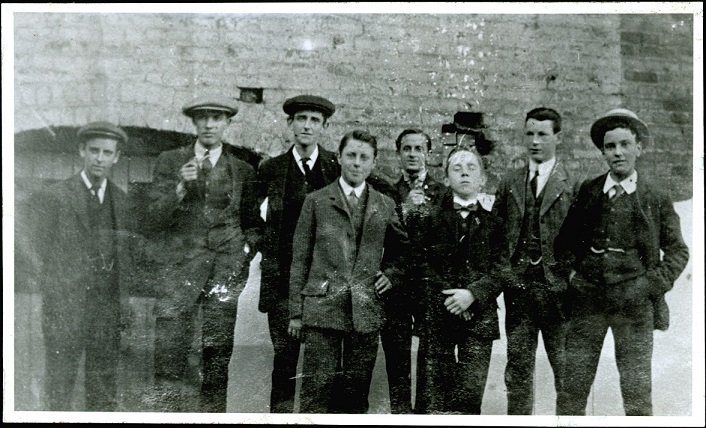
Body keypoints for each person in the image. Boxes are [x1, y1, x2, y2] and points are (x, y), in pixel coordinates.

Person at [555, 108, 689, 416]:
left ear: (639, 147)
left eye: (625, 144)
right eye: (610, 146)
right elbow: (564, 244)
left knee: (637, 391)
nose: (618, 152)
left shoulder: (654, 195)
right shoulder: (588, 191)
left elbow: (678, 251)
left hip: (634, 307)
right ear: (602, 151)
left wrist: (648, 285)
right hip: (588, 303)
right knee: (572, 388)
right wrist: (574, 277)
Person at [145, 96, 263, 413]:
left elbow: (253, 224)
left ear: (227, 123)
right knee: (169, 352)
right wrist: (179, 189)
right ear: (194, 123)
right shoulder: (170, 161)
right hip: (178, 273)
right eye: (203, 118)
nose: (209, 125)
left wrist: (243, 253)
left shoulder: (243, 170)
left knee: (217, 354)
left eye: (217, 119)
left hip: (224, 275)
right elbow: (152, 219)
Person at [288, 130, 409, 414]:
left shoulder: (384, 204)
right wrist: (296, 312)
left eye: (364, 157)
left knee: (355, 393)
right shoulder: (316, 201)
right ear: (340, 158)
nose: (357, 163)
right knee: (316, 390)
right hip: (322, 310)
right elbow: (300, 259)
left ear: (373, 162)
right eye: (351, 155)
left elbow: (403, 251)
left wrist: (391, 274)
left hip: (365, 310)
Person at [34, 121, 134, 411]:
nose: (99, 158)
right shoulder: (55, 197)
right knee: (59, 387)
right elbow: (38, 253)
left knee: (103, 393)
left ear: (116, 157)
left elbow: (126, 257)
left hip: (106, 313)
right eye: (93, 151)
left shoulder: (123, 202)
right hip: (65, 311)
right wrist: (55, 296)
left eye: (107, 152)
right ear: (81, 151)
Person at [256, 94, 340, 413]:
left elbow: (374, 194)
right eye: (301, 118)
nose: (307, 125)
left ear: (324, 126)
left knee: (322, 366)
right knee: (285, 361)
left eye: (314, 120)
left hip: (325, 284)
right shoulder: (272, 169)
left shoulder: (336, 166)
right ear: (290, 124)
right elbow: (249, 216)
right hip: (281, 283)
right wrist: (261, 243)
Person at [493, 107, 580, 414]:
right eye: (529, 133)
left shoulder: (575, 185)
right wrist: (506, 273)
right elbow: (496, 234)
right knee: (517, 372)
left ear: (558, 138)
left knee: (567, 373)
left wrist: (569, 277)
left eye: (543, 134)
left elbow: (583, 240)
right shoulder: (510, 182)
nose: (535, 141)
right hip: (519, 293)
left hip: (559, 295)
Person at [409, 147, 508, 414]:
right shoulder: (429, 218)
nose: (464, 172)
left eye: (471, 168)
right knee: (432, 398)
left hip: (479, 318)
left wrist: (472, 294)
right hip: (437, 315)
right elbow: (419, 261)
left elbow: (502, 267)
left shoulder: (496, 222)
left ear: (483, 179)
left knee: (469, 397)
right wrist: (451, 296)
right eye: (457, 168)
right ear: (446, 179)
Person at [380, 128, 445, 413]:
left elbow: (442, 239)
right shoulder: (388, 192)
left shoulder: (442, 193)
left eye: (419, 149)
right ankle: (400, 415)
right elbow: (384, 235)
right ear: (398, 154)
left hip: (429, 284)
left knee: (430, 358)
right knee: (397, 357)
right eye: (407, 148)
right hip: (396, 284)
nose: (412, 154)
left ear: (428, 154)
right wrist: (405, 208)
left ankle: (426, 416)